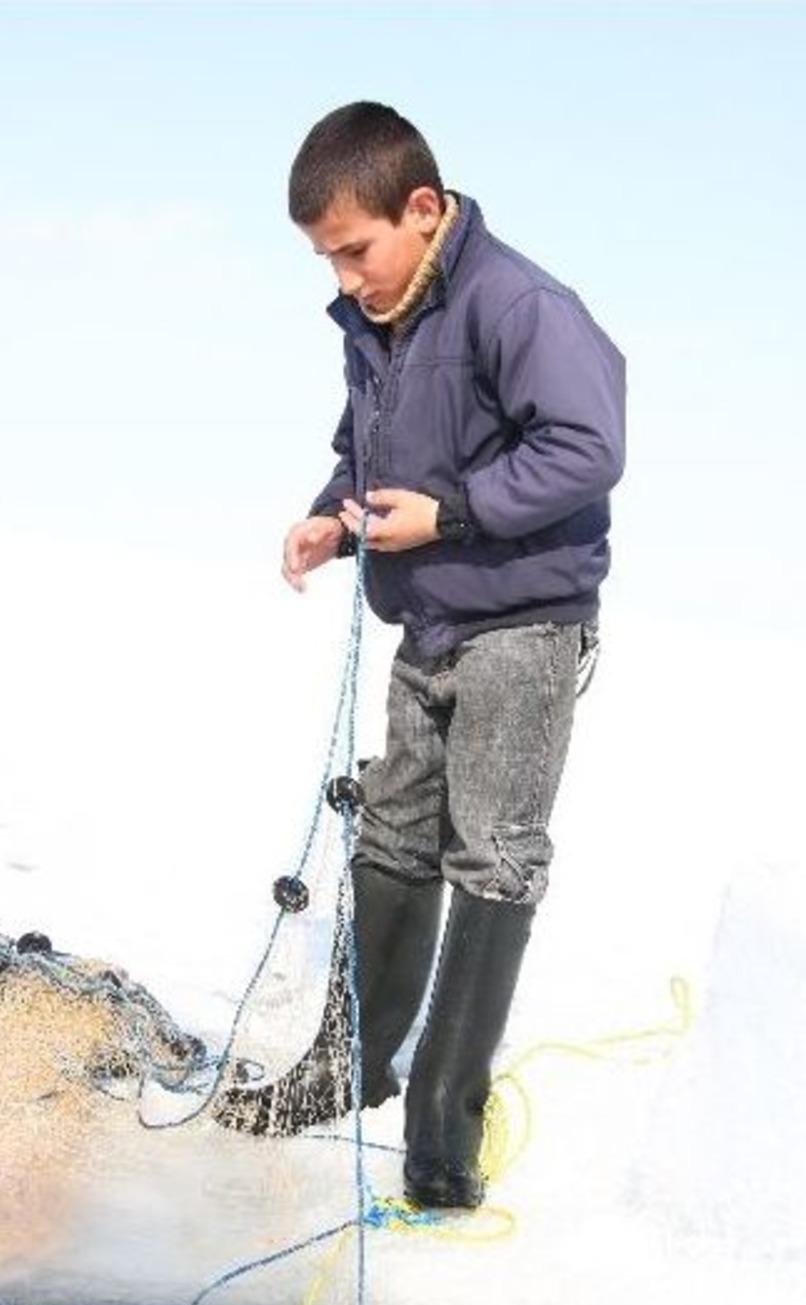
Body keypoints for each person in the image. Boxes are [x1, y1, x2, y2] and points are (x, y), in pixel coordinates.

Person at [214, 102, 625, 1210]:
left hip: (523, 629)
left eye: (356, 249)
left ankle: (444, 1135)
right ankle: (349, 1070)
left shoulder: (519, 304)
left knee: (492, 855)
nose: (346, 277)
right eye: (327, 259)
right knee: (394, 831)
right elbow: (370, 448)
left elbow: (588, 447)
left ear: (424, 210)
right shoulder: (382, 321)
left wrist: (445, 520)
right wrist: (330, 518)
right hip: (428, 626)